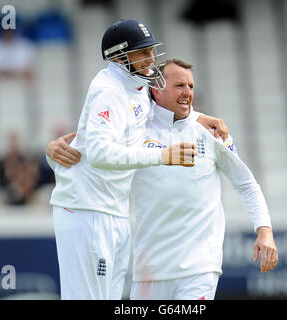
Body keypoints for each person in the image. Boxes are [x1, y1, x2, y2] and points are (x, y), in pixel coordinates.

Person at [47, 59, 278, 300]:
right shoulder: (135, 129)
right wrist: (51, 153)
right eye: (179, 85)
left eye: (190, 86)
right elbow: (94, 153)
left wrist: (264, 231)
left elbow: (247, 184)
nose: (188, 92)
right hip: (148, 272)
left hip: (199, 269)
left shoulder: (212, 134)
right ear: (156, 89)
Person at [46, 19, 227, 300]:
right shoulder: (108, 91)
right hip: (86, 208)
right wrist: (161, 155)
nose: (150, 59)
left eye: (151, 51)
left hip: (114, 211)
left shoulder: (139, 87)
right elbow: (99, 153)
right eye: (142, 53)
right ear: (119, 57)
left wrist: (197, 117)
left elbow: (163, 108)